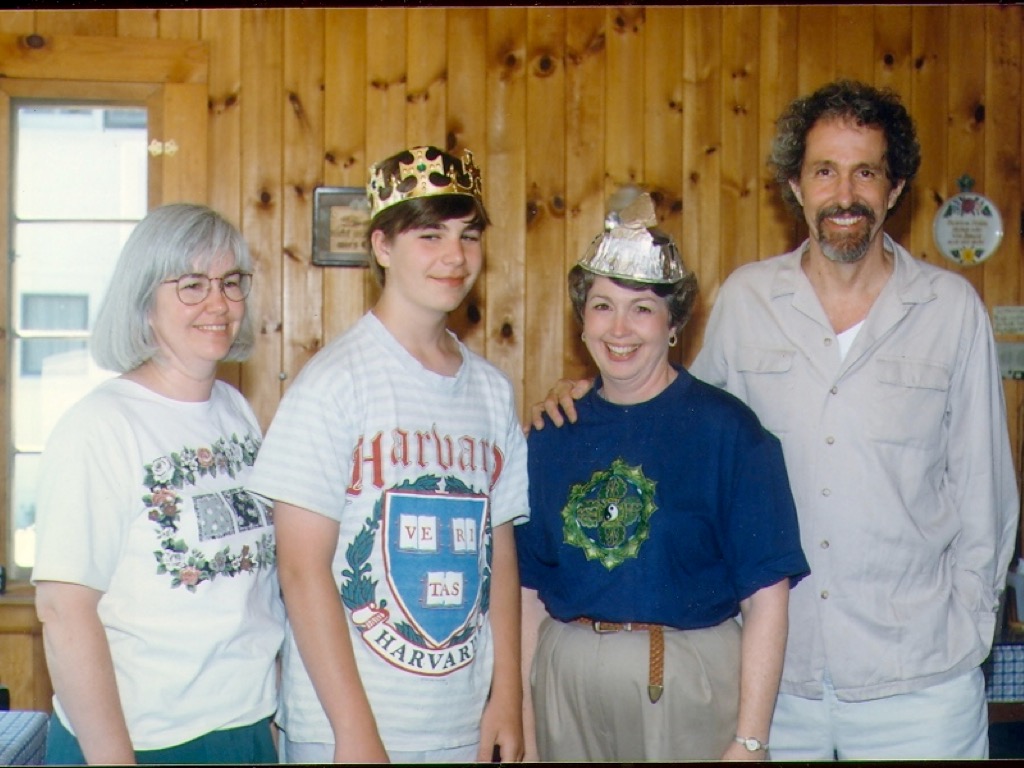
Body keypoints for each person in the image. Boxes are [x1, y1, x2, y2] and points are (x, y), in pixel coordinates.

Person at [534, 80, 1019, 760]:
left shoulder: (951, 310)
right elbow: (677, 425)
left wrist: (969, 629)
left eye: (865, 173)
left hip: (920, 684)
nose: (844, 194)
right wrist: (593, 390)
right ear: (796, 186)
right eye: (824, 171)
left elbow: (985, 496)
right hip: (775, 685)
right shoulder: (748, 300)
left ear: (895, 189)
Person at [247, 145, 529, 763]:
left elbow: (499, 551)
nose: (455, 256)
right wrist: (355, 730)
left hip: (459, 722)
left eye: (469, 235)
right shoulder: (334, 383)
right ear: (381, 246)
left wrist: (507, 696)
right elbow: (300, 569)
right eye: (430, 236)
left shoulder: (490, 391)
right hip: (345, 726)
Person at [517, 192, 809, 762]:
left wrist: (751, 739)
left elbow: (766, 599)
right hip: (564, 688)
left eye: (643, 309)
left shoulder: (730, 433)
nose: (619, 328)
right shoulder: (551, 435)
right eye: (602, 306)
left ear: (674, 323)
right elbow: (527, 592)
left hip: (685, 687)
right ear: (582, 320)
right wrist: (524, 719)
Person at [33, 203, 284, 764]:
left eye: (230, 282)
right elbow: (63, 611)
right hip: (136, 743)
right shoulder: (99, 425)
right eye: (192, 285)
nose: (218, 303)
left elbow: (253, 597)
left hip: (241, 730)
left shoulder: (237, 413)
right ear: (145, 301)